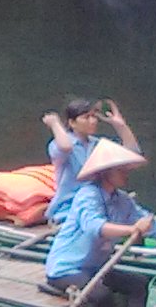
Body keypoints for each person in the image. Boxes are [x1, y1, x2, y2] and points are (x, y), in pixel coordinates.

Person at [43, 139, 156, 307]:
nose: (126, 174)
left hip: (96, 268)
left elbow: (152, 224)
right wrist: (132, 230)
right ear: (106, 172)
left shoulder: (122, 200)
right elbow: (94, 227)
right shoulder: (87, 195)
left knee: (139, 284)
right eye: (121, 170)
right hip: (67, 269)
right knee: (102, 296)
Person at [40, 95, 142, 223]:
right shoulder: (59, 144)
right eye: (86, 117)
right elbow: (65, 147)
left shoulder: (98, 144)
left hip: (101, 204)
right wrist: (55, 124)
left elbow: (132, 155)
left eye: (94, 116)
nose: (93, 121)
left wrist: (121, 126)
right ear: (72, 123)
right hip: (71, 208)